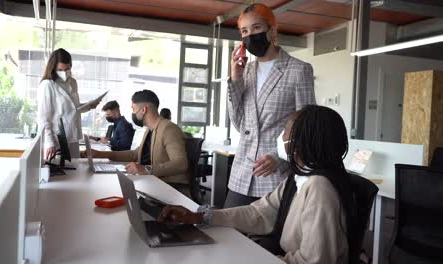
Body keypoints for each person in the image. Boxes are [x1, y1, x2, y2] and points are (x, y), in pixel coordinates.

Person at [158, 105, 359, 264]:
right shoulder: (298, 179)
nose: (281, 137)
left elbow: (315, 261)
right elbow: (259, 213)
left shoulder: (320, 189)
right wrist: (201, 216)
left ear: (301, 142)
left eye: (285, 130)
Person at [225, 3, 316, 207]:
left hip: (276, 174)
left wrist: (279, 157)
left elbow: (306, 125)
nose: (250, 35)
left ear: (272, 30)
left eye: (257, 28)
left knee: (265, 238)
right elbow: (239, 124)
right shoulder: (246, 71)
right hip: (242, 170)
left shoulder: (298, 70)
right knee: (227, 229)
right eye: (244, 31)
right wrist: (235, 79)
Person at [89, 90, 191, 196]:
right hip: (153, 182)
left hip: (171, 188)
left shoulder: (168, 129)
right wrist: (102, 154)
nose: (133, 113)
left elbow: (181, 163)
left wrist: (146, 169)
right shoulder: (150, 129)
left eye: (133, 109)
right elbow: (135, 154)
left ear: (143, 110)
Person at [37, 48, 100, 160]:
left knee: (75, 168)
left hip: (72, 136)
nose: (64, 72)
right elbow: (43, 118)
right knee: (59, 173)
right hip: (56, 139)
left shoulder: (72, 82)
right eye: (60, 69)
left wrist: (89, 106)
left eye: (67, 69)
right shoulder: (47, 85)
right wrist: (50, 142)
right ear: (53, 67)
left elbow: (73, 109)